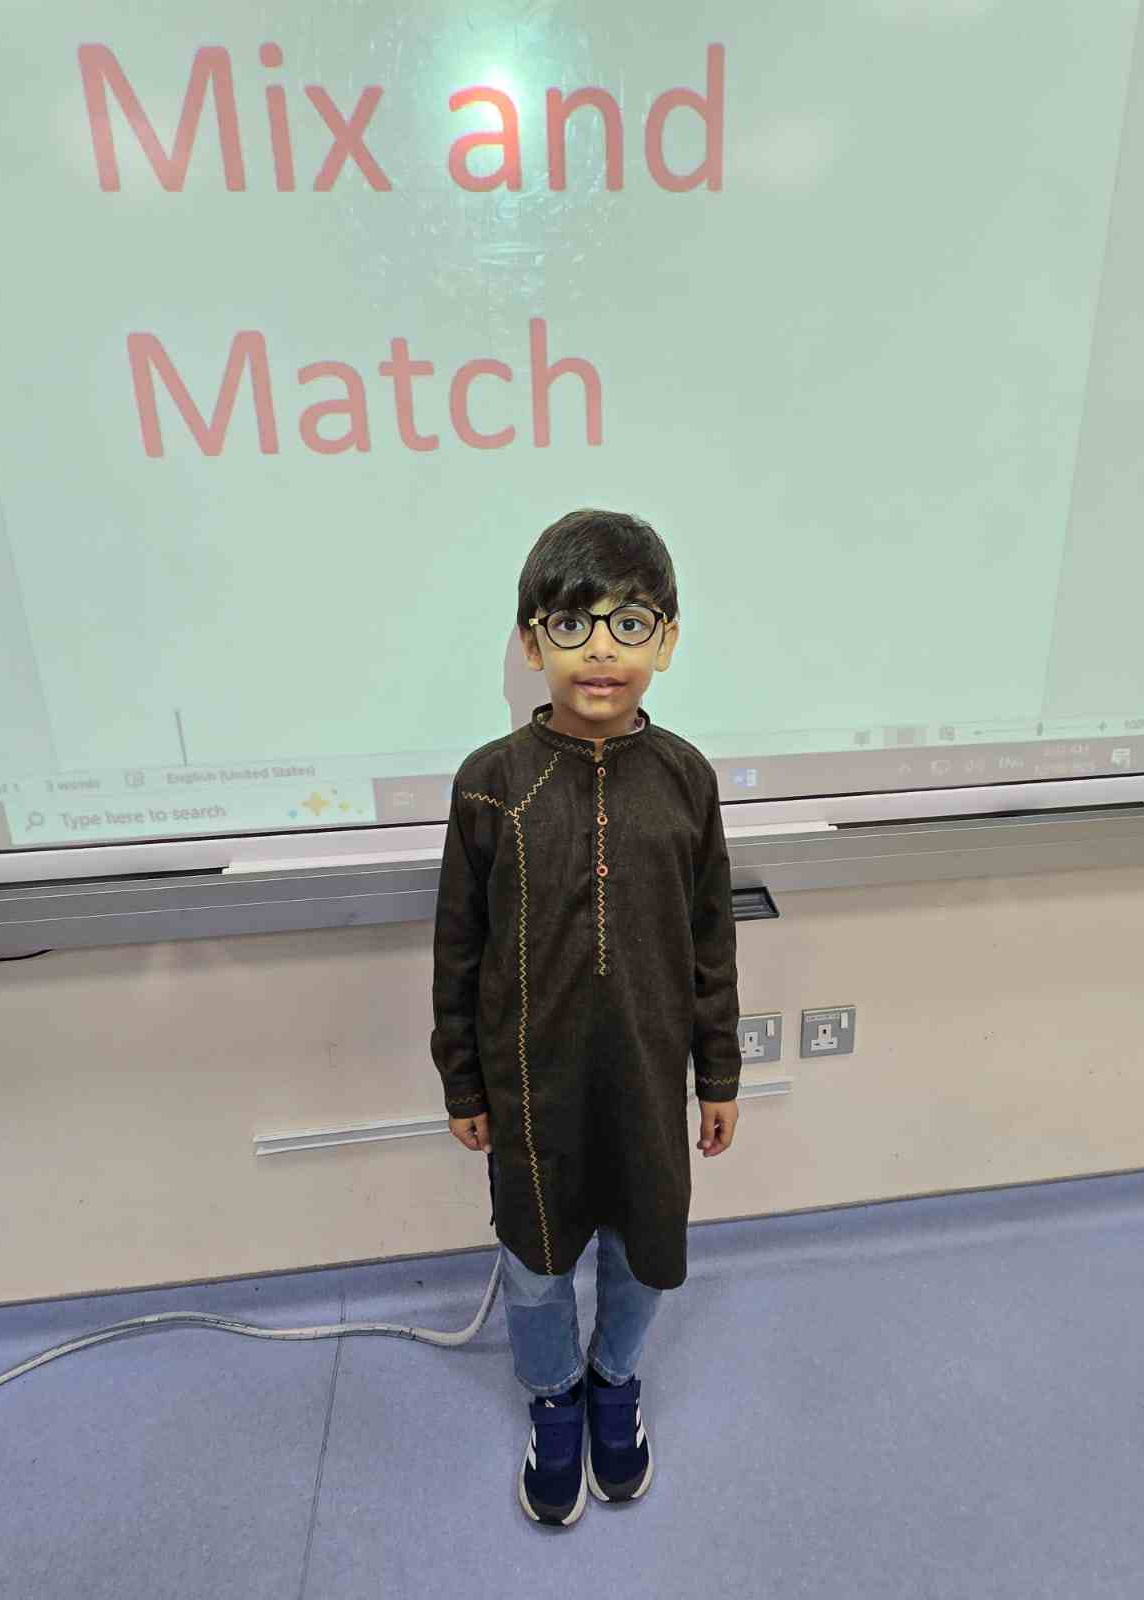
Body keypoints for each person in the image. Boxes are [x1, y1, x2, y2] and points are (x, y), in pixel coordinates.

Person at [430, 506, 742, 1525]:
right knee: (536, 1269)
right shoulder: (491, 785)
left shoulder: (688, 779)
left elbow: (710, 941)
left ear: (667, 640)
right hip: (533, 1090)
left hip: (647, 1084)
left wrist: (720, 1072)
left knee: (643, 1254)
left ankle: (614, 1380)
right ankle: (556, 1395)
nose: (601, 649)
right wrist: (463, 1081)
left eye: (629, 623)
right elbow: (458, 948)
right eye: (572, 624)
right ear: (533, 643)